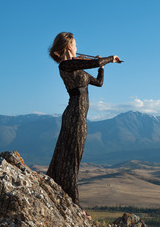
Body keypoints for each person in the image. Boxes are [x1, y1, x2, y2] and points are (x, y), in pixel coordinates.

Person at [47, 32, 121, 205]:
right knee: (70, 157)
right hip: (74, 114)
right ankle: (73, 202)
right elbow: (94, 61)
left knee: (73, 155)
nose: (77, 48)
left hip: (80, 116)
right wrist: (110, 58)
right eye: (75, 44)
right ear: (69, 46)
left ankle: (62, 195)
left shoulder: (78, 69)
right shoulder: (66, 66)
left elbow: (99, 83)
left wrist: (102, 67)